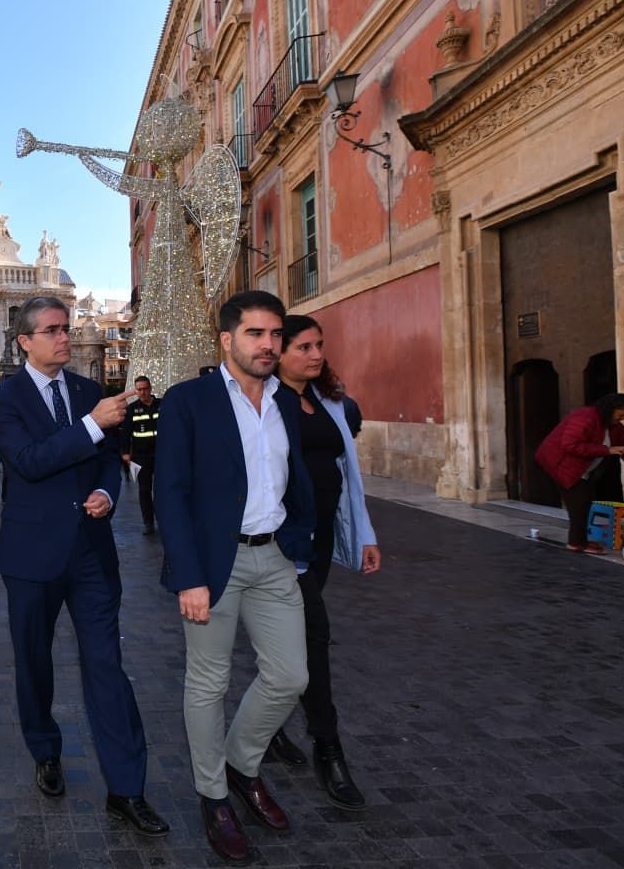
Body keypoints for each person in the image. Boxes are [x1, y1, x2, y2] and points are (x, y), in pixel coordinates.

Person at [0, 297, 169, 837]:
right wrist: (90, 426)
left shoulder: (91, 392)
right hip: (31, 557)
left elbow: (108, 460)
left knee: (107, 667)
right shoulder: (3, 400)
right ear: (24, 341)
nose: (65, 338)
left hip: (91, 554)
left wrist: (107, 495)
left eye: (67, 329)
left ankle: (127, 788)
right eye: (52, 330)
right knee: (34, 663)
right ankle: (44, 748)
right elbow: (29, 462)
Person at [154, 290, 314, 864]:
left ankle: (242, 765)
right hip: (212, 564)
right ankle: (214, 795)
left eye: (275, 334)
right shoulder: (187, 402)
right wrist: (188, 575)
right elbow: (169, 494)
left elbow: (300, 479)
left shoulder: (287, 403)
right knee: (208, 683)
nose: (269, 345)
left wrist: (301, 542)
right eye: (256, 334)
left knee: (289, 677)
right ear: (227, 340)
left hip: (273, 559)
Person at [268, 314, 381, 811]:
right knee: (315, 637)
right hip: (280, 543)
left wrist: (365, 535)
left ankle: (266, 728)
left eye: (319, 345)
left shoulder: (331, 403)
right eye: (303, 347)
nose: (315, 355)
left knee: (289, 643)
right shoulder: (265, 403)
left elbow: (348, 474)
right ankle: (328, 748)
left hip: (319, 541)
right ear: (279, 353)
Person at [536, 392, 624, 553]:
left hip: (582, 468)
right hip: (561, 464)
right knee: (579, 503)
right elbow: (570, 445)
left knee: (584, 501)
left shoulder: (612, 424)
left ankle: (580, 540)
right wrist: (608, 450)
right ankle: (576, 543)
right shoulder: (586, 417)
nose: (623, 419)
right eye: (622, 415)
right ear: (612, 409)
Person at [120, 375, 161, 534]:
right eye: (139, 390)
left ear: (150, 388)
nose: (143, 392)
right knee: (144, 491)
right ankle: (148, 523)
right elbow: (125, 433)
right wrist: (125, 453)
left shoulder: (162, 405)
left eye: (145, 389)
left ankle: (164, 520)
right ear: (136, 391)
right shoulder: (132, 409)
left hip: (161, 455)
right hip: (141, 457)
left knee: (163, 490)